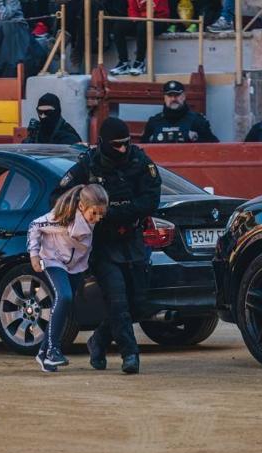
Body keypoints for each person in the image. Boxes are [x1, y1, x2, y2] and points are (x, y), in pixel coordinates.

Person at [54, 117, 162, 374]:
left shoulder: (140, 161)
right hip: (102, 243)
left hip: (132, 241)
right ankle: (130, 354)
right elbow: (59, 197)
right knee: (117, 301)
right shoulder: (88, 165)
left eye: (126, 144)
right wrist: (88, 213)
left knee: (137, 304)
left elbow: (150, 199)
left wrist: (115, 210)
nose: (123, 150)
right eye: (117, 145)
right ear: (103, 143)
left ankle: (98, 340)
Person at [27, 184, 108, 372]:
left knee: (64, 306)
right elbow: (35, 226)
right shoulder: (61, 219)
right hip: (53, 260)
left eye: (101, 214)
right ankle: (53, 350)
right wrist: (34, 255)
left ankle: (43, 354)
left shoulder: (93, 220)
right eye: (94, 213)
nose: (97, 218)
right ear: (81, 207)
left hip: (75, 266)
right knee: (64, 297)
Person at [141, 80, 219, 143]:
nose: (173, 99)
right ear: (164, 98)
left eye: (177, 95)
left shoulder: (197, 121)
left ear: (184, 96)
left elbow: (213, 147)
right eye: (170, 95)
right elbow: (142, 149)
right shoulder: (154, 122)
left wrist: (197, 139)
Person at [110, 0, 170, 76]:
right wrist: (136, 18)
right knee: (118, 27)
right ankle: (123, 63)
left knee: (143, 26)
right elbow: (132, 9)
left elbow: (156, 10)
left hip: (159, 20)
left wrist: (141, 17)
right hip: (141, 20)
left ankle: (139, 62)